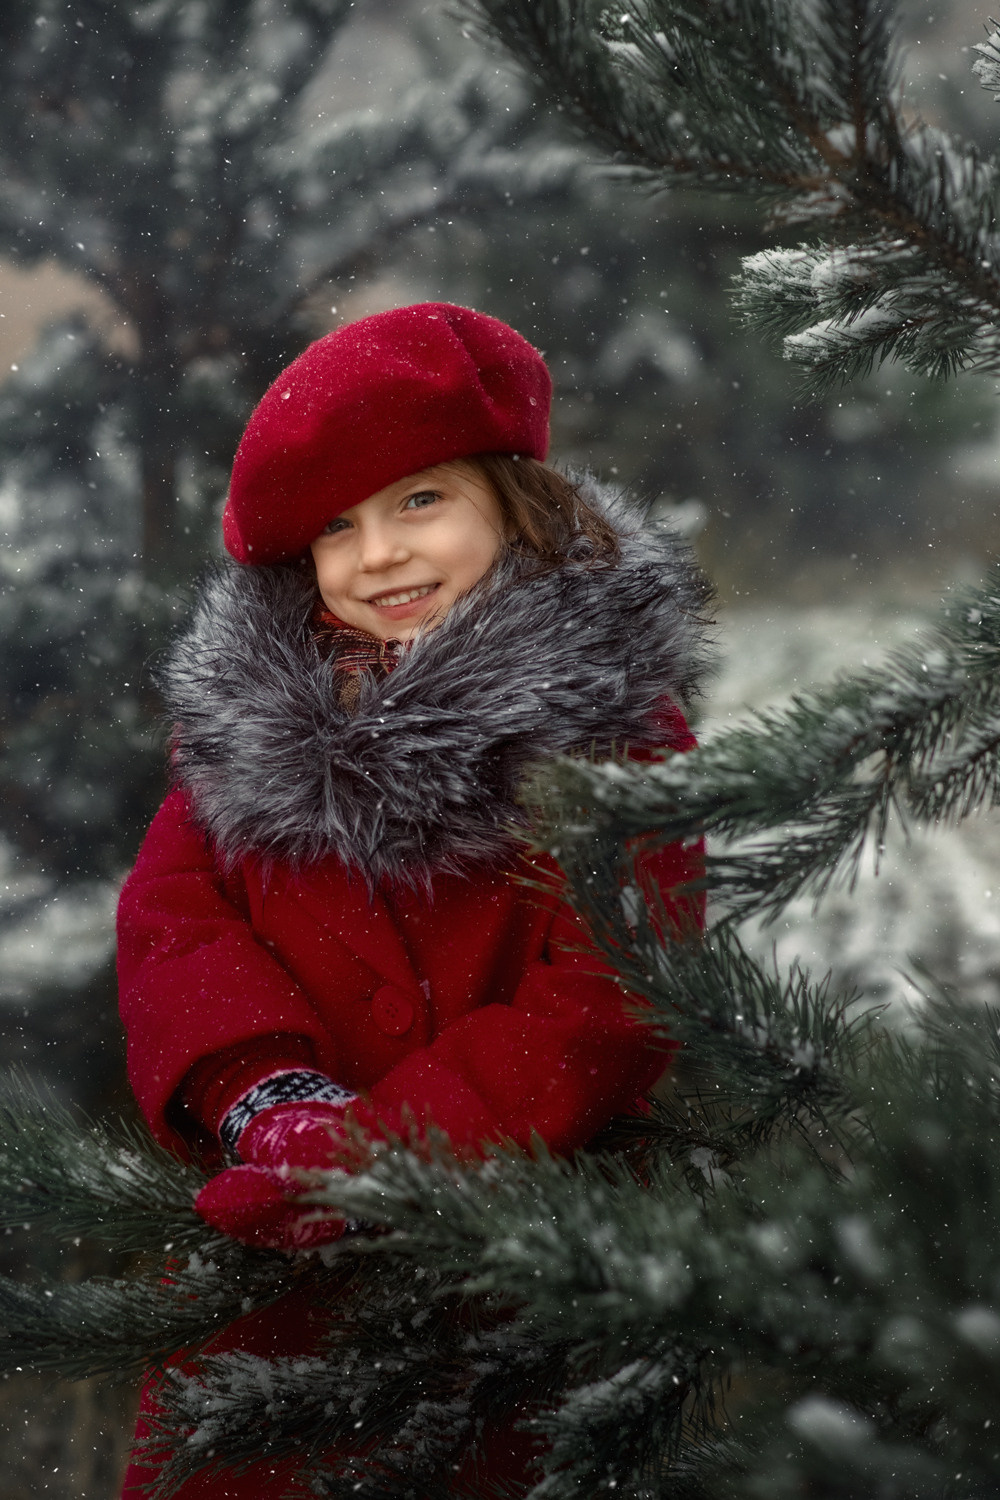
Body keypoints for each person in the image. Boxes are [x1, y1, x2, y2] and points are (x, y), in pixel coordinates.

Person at [116, 302, 712, 1496]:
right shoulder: (246, 732)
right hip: (275, 1288)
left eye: (419, 502)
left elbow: (610, 994)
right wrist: (264, 1096)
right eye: (336, 527)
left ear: (514, 501)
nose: (378, 553)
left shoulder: (618, 733)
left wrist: (390, 1151)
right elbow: (173, 923)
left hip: (519, 1270)